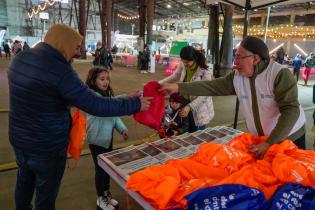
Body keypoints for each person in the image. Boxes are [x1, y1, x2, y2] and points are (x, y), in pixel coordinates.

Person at [7, 24, 152, 210]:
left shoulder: (21, 58)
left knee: (24, 181)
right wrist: (135, 105)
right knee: (46, 192)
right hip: (47, 145)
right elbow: (95, 104)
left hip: (19, 140)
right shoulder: (60, 70)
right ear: (63, 43)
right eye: (75, 46)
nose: (78, 52)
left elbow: (43, 94)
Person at [159, 36, 306, 158]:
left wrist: (270, 143)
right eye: (235, 56)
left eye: (239, 57)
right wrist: (178, 87)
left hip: (289, 138)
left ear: (255, 58)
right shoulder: (237, 77)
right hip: (261, 140)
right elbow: (212, 86)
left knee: (294, 182)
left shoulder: (279, 74)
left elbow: (291, 111)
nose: (235, 62)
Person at [85, 67, 128, 210]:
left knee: (107, 169)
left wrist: (122, 129)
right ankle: (100, 199)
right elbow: (108, 107)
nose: (105, 82)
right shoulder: (92, 96)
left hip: (107, 138)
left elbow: (113, 114)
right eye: (101, 79)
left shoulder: (107, 95)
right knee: (100, 170)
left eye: (107, 79)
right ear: (93, 80)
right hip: (96, 140)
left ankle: (106, 194)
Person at [159, 45, 214, 130]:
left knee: (196, 132)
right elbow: (174, 76)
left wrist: (190, 107)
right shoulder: (183, 64)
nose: (185, 64)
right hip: (184, 103)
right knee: (184, 129)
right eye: (183, 61)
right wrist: (159, 84)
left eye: (187, 62)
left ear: (194, 59)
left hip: (199, 108)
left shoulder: (204, 70)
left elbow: (205, 94)